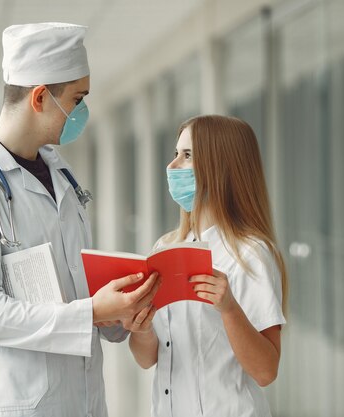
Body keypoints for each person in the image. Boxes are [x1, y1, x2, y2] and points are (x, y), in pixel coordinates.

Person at [0, 22, 159, 417]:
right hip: (17, 404)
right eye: (77, 98)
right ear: (40, 97)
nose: (82, 111)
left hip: (82, 401)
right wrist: (92, 312)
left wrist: (119, 311)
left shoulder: (60, 175)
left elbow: (74, 284)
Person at [123, 115, 288, 417]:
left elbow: (266, 372)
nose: (172, 167)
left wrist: (229, 309)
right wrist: (141, 329)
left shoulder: (250, 254)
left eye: (187, 156)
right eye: (175, 154)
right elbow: (148, 359)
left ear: (221, 167)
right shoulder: (165, 248)